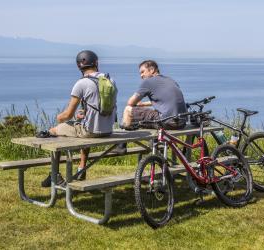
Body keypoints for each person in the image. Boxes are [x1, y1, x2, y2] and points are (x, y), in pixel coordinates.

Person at [40, 50, 117, 187]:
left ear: (79, 66)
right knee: (82, 125)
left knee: (53, 131)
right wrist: (85, 114)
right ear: (96, 63)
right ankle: (81, 168)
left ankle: (55, 174)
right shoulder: (110, 80)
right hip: (107, 130)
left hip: (90, 132)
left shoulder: (81, 83)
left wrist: (59, 117)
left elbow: (67, 115)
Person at [121, 60, 187, 129]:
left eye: (143, 72)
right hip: (182, 123)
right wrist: (143, 104)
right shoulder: (171, 80)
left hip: (166, 123)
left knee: (128, 109)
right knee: (155, 111)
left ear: (152, 70)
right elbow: (164, 100)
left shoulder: (147, 82)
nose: (141, 75)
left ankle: (126, 131)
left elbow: (130, 103)